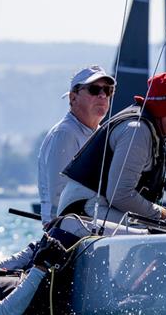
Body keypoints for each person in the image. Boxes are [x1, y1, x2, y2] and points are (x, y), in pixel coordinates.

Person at [57, 71, 166, 226]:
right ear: (165, 107)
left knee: (161, 233)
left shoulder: (150, 129)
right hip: (83, 212)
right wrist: (163, 214)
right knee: (156, 235)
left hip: (98, 210)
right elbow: (119, 195)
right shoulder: (137, 131)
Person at [37, 65, 116, 223]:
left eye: (107, 91)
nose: (102, 96)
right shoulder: (65, 134)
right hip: (66, 227)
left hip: (89, 221)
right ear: (73, 98)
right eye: (94, 90)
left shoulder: (99, 134)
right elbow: (59, 196)